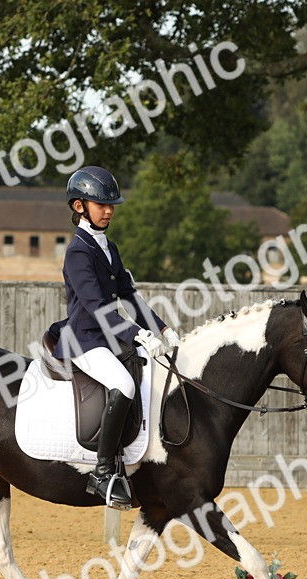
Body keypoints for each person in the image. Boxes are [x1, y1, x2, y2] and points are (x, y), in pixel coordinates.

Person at [47, 166, 180, 510]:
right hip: (84, 339)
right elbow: (97, 308)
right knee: (124, 385)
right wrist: (138, 335)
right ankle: (102, 473)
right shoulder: (78, 252)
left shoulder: (109, 247)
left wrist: (162, 329)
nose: (108, 210)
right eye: (100, 204)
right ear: (79, 206)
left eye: (111, 205)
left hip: (108, 338)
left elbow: (129, 296)